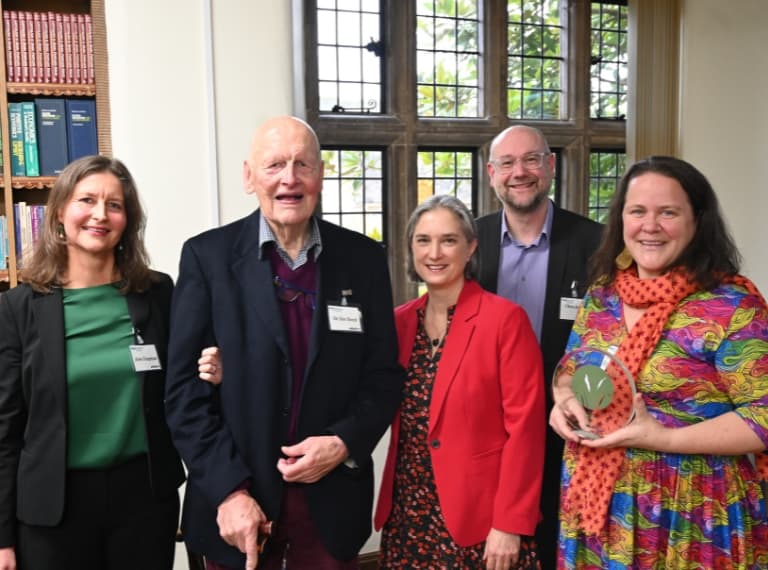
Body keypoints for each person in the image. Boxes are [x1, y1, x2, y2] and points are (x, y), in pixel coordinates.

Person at [164, 116, 404, 570]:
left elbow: (382, 377)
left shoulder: (364, 259)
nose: (289, 179)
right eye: (274, 165)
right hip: (238, 506)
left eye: (303, 165)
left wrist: (344, 442)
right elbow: (183, 393)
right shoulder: (207, 258)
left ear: (321, 174)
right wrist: (229, 490)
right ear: (248, 176)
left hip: (330, 501)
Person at [549, 156, 768, 569]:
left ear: (697, 221)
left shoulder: (732, 306)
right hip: (598, 501)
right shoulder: (602, 296)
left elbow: (763, 416)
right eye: (638, 211)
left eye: (668, 212)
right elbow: (572, 371)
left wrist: (661, 438)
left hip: (692, 512)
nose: (650, 226)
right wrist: (562, 402)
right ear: (621, 220)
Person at [0, 156, 198, 570]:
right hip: (52, 508)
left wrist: (211, 366)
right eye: (86, 200)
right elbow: (5, 429)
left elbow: (184, 384)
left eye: (114, 204)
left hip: (143, 500)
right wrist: (2, 537)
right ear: (59, 213)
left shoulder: (158, 293)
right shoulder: (18, 309)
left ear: (128, 219)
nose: (99, 214)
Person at [374, 194, 546, 569]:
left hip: (480, 518)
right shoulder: (399, 323)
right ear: (411, 249)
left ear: (470, 248)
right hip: (408, 512)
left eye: (448, 240)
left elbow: (526, 432)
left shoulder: (505, 321)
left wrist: (509, 523)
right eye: (423, 240)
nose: (434, 252)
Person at [476, 125, 603, 568]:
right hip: (487, 428)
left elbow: (609, 343)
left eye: (531, 160)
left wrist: (581, 403)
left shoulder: (597, 244)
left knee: (554, 544)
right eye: (507, 163)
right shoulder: (469, 245)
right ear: (491, 173)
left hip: (565, 426)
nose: (519, 172)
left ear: (550, 166)